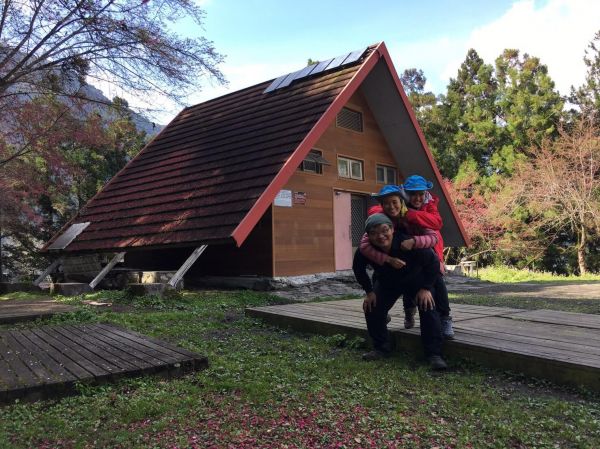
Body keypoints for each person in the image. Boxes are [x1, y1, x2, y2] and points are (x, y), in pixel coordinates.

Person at [353, 213, 447, 370]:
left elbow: (433, 262)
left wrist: (426, 288)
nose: (380, 236)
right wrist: (369, 292)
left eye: (384, 231)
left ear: (392, 229)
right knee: (372, 307)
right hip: (388, 282)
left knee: (428, 307)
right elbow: (358, 269)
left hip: (417, 280)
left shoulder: (406, 242)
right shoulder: (366, 250)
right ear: (368, 236)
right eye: (374, 233)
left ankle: (434, 354)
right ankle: (381, 348)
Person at [359, 185, 453, 339]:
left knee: (434, 281)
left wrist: (414, 241)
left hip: (418, 259)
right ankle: (393, 314)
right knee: (380, 279)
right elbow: (364, 246)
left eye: (395, 202)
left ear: (402, 201)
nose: (391, 206)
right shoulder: (380, 220)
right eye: (387, 203)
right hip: (392, 264)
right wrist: (386, 259)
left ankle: (444, 318)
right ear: (381, 205)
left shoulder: (413, 216)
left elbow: (433, 236)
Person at [401, 175, 454, 339]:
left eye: (420, 194)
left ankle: (445, 318)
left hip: (431, 251)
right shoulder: (399, 203)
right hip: (409, 251)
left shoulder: (429, 205)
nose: (417, 198)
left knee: (438, 282)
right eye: (413, 194)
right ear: (406, 194)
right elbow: (380, 211)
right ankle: (409, 311)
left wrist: (409, 214)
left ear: (425, 194)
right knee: (407, 282)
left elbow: (437, 223)